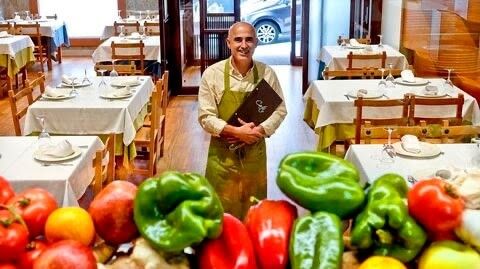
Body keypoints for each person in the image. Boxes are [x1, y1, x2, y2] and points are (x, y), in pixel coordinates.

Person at [198, 22, 287, 219]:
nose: (243, 45)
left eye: (249, 39)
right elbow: (205, 116)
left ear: (256, 43)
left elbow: (280, 110)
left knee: (253, 213)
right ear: (228, 43)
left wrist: (260, 131)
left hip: (254, 154)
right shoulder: (212, 74)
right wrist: (237, 132)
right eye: (238, 39)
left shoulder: (267, 73)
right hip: (222, 158)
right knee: (220, 215)